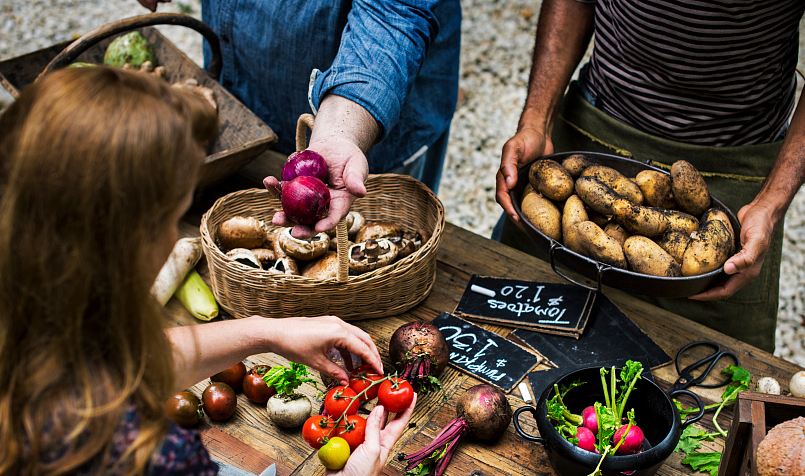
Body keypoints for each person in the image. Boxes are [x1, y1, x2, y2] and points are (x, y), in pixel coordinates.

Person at [0, 66, 415, 476]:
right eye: (170, 216)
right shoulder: (143, 458)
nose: (176, 236)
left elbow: (105, 369)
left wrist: (269, 333)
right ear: (123, 246)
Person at [494, 0, 805, 353]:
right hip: (591, 136)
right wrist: (536, 119)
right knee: (516, 336)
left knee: (710, 370)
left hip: (733, 169)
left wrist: (770, 205)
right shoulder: (576, 187)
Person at [138, 0, 461, 239]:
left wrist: (341, 132)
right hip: (246, 88)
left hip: (363, 115)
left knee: (374, 239)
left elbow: (393, 17)